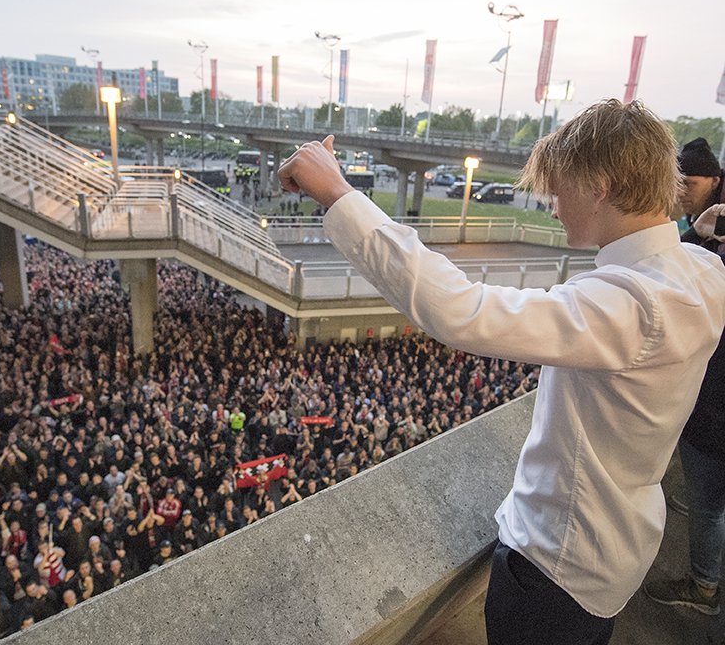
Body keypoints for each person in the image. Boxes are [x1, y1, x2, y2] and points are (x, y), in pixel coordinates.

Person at [276, 99, 725, 645]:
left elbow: (460, 311)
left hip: (556, 572)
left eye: (558, 190)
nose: (552, 207)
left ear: (600, 186)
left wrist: (340, 196)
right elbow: (677, 251)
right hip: (618, 553)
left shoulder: (630, 304)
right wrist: (691, 228)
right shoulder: (702, 267)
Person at [643, 138, 725, 616]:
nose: (680, 194)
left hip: (715, 405)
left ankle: (704, 586)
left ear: (713, 179)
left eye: (688, 184)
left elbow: (687, 286)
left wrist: (694, 237)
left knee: (709, 504)